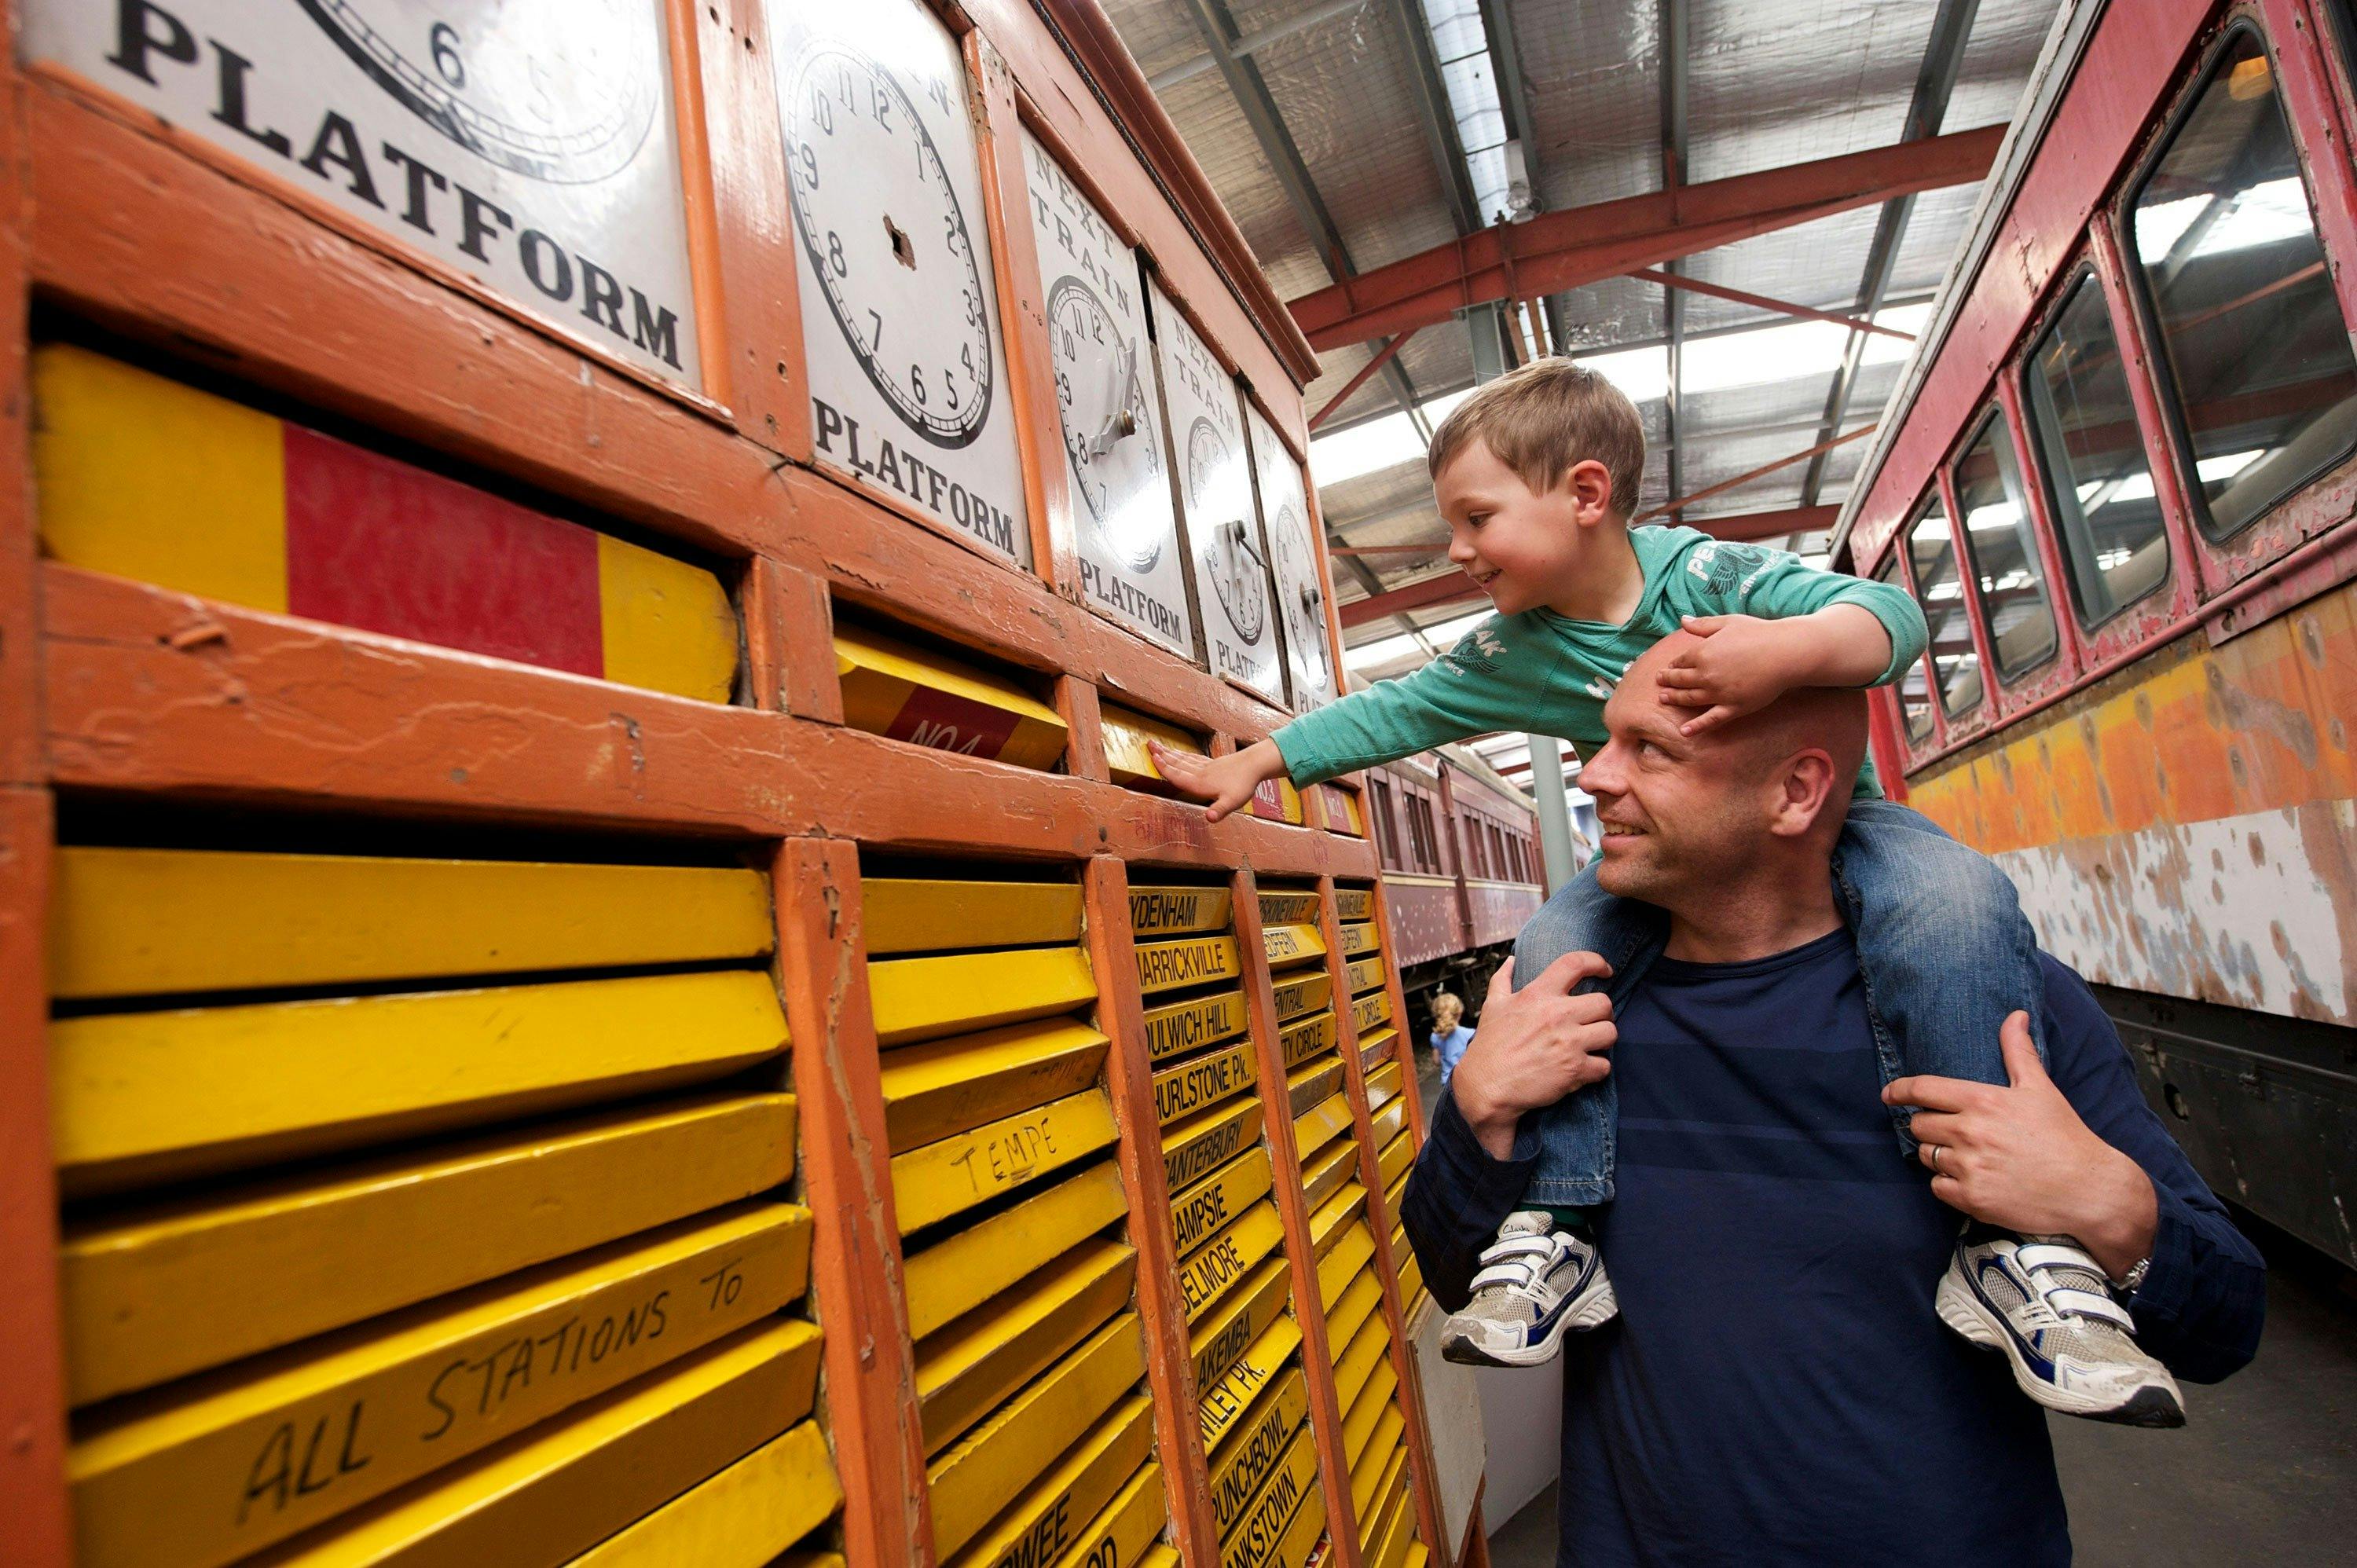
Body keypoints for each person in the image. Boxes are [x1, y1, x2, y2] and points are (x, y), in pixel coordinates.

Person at [1153, 358, 2132, 1412]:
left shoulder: (1714, 584)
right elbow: (1398, 711)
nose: (1456, 549)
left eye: (1477, 517)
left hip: (1857, 829)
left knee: (1955, 903)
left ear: (1585, 494)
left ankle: (2008, 1237)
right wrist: (1262, 762)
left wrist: (1784, 651)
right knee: (1551, 946)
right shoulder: (1510, 650)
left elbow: (1885, 618)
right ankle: (1559, 1224)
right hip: (1678, 883)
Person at [1401, 638, 2265, 1565]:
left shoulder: (1990, 1008)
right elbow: (1460, 1284)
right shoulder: (1568, 1019)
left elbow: (2225, 1321)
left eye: (1650, 750)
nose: (1598, 777)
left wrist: (2109, 1204)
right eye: (1604, 742)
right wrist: (1479, 1109)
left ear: (1796, 791)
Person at [1427, 991, 1473, 1087]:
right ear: (1459, 1013)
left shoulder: (1435, 1037)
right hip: (1467, 1082)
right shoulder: (1470, 1034)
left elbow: (1436, 1061)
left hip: (1448, 1085)